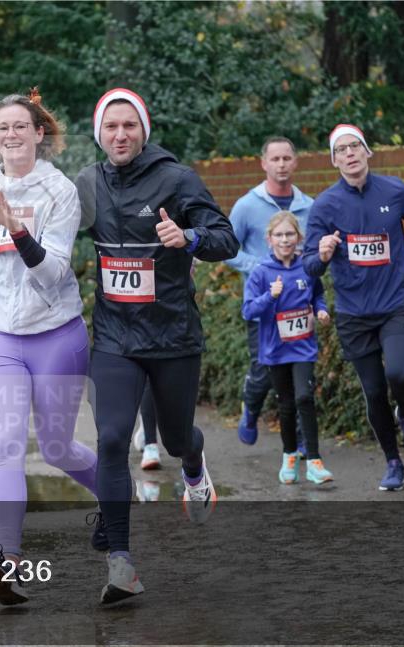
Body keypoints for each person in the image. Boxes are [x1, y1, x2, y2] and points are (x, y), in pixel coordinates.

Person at [76, 88, 238, 604]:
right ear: (99, 134)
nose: (120, 134)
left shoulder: (176, 179)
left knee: (174, 439)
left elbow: (226, 238)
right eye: (111, 126)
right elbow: (48, 226)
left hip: (171, 336)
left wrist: (189, 238)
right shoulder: (87, 183)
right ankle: (121, 563)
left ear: (143, 130)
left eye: (130, 125)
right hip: (115, 337)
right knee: (111, 439)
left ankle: (193, 464)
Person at [0, 88, 100, 606]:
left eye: (20, 126)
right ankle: (8, 560)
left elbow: (54, 272)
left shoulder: (60, 191)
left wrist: (18, 230)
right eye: (2, 128)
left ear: (39, 133)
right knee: (7, 447)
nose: (11, 134)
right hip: (1, 337)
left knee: (57, 448)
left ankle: (116, 499)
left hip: (56, 333)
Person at [303, 123, 404, 491]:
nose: (349, 154)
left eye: (355, 146)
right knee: (375, 391)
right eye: (341, 150)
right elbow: (309, 266)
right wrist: (322, 254)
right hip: (353, 314)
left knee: (399, 373)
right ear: (334, 161)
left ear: (368, 152)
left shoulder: (395, 191)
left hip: (396, 305)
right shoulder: (325, 205)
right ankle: (393, 463)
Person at [226, 137, 314, 450]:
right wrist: (258, 266)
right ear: (263, 163)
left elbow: (314, 252)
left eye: (286, 158)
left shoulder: (309, 206)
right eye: (275, 159)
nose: (281, 165)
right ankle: (250, 408)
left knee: (299, 372)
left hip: (298, 308)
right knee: (264, 371)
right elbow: (226, 247)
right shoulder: (247, 206)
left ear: (295, 162)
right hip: (263, 307)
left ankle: (301, 438)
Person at [241, 212, 333, 484]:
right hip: (275, 350)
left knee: (304, 397)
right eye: (279, 235)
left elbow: (318, 294)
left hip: (303, 346)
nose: (284, 240)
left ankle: (314, 461)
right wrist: (270, 296)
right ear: (269, 239)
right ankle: (289, 456)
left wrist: (321, 310)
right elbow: (248, 310)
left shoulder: (307, 266)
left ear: (299, 237)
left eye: (289, 234)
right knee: (287, 404)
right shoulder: (261, 272)